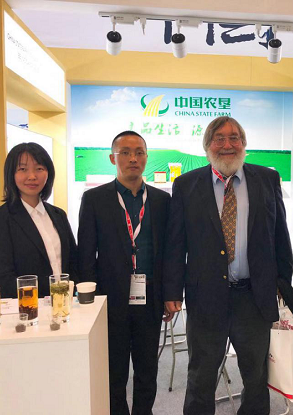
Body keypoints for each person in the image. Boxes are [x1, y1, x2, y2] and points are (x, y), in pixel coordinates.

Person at [163, 116, 293, 415]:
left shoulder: (267, 179)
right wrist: (172, 291)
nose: (227, 144)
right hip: (206, 296)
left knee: (256, 375)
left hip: (253, 297)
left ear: (244, 144)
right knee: (201, 375)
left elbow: (280, 235)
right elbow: (175, 244)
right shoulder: (186, 184)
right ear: (207, 145)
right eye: (219, 138)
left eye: (234, 137)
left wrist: (283, 283)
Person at [78, 131, 171, 415]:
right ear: (112, 158)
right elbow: (86, 254)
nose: (133, 158)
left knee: (147, 369)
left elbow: (170, 252)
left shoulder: (161, 200)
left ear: (146, 157)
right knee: (113, 371)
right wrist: (89, 301)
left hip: (150, 298)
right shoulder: (94, 199)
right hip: (110, 300)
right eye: (125, 152)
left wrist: (169, 294)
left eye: (139, 152)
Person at [0, 142, 77, 299]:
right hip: (27, 307)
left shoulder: (58, 215)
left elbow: (73, 263)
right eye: (23, 169)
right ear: (11, 174)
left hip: (66, 305)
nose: (32, 176)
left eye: (39, 169)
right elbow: (3, 280)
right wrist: (52, 291)